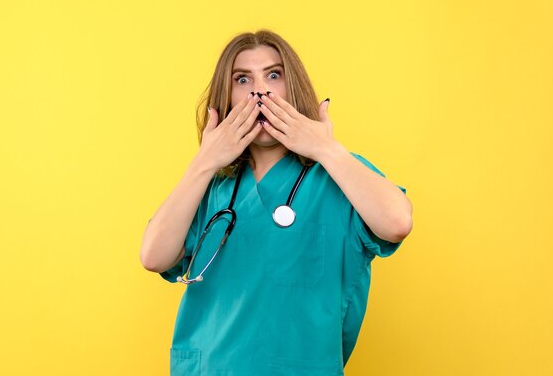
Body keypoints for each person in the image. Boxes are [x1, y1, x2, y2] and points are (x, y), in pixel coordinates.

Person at [140, 30, 413, 376]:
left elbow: (397, 222)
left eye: (274, 74)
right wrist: (204, 162)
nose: (260, 90)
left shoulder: (337, 174)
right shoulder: (211, 186)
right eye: (242, 79)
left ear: (293, 87)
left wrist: (326, 149)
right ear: (225, 98)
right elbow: (153, 256)